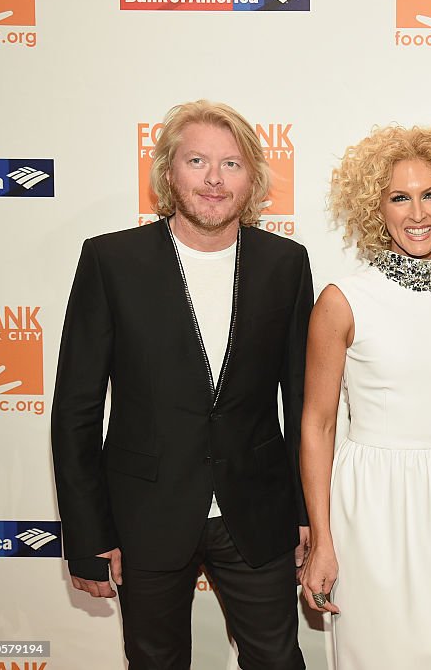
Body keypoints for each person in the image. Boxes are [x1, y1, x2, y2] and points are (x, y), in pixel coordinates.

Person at [51, 100, 312, 670]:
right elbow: (75, 409)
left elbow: (301, 401)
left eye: (232, 164)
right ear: (168, 171)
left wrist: (303, 512)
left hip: (258, 512)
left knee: (278, 659)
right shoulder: (111, 260)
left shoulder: (286, 264)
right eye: (197, 160)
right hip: (144, 513)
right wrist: (87, 532)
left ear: (254, 179)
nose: (214, 179)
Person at [299, 125, 431, 669]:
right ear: (375, 208)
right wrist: (322, 540)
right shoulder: (343, 300)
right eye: (399, 197)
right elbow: (318, 424)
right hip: (369, 502)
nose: (417, 212)